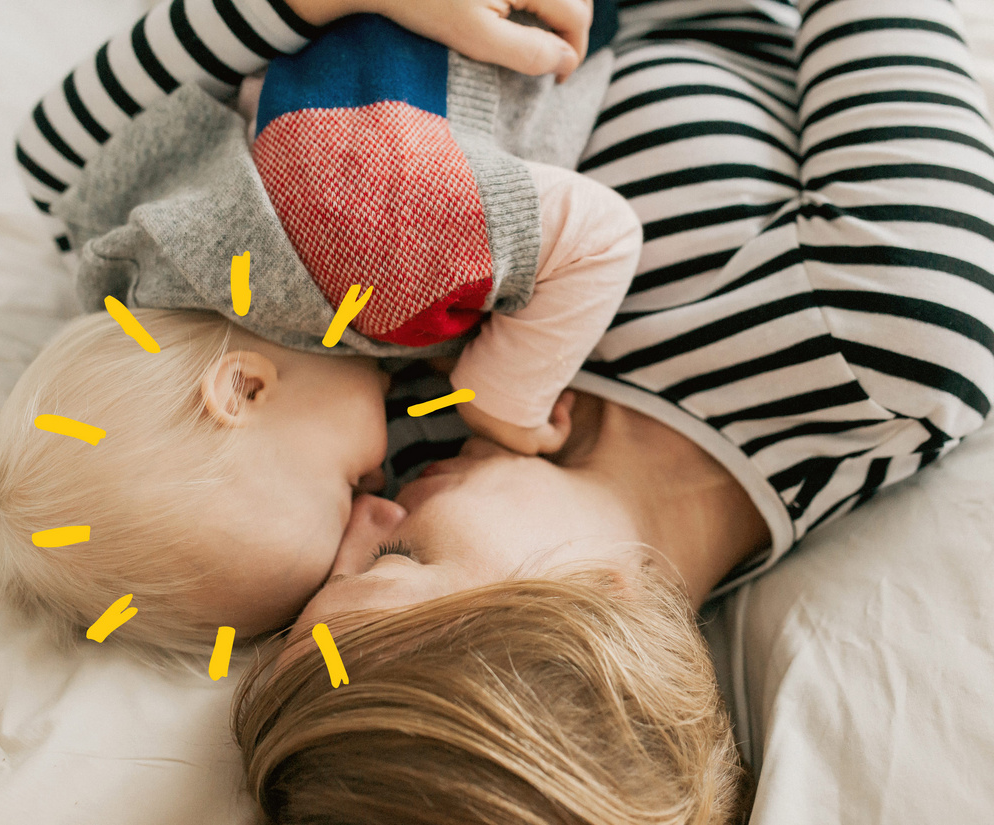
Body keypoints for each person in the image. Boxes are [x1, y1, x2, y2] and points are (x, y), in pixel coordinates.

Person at [232, 0, 994, 821]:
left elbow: (128, 177)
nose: (351, 522)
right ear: (600, 600)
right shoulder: (887, 345)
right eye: (398, 559)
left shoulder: (423, 428)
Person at [0, 0, 640, 660]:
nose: (380, 501)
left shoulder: (370, 268)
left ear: (243, 388)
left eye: (350, 486)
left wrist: (503, 398)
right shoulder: (144, 239)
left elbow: (602, 236)